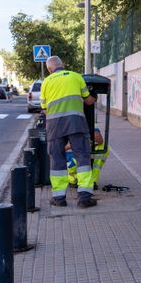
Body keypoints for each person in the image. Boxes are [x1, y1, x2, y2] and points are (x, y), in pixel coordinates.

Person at [41, 55, 96, 208]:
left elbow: (44, 109)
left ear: (49, 69)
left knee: (57, 160)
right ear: (62, 64)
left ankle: (59, 199)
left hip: (54, 126)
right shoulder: (76, 77)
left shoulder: (46, 82)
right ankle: (84, 197)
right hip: (76, 123)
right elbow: (88, 100)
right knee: (83, 157)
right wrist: (94, 98)